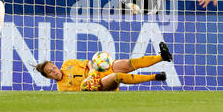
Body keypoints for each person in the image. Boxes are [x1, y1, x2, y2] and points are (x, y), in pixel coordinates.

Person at [35, 42, 173, 91]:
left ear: (54, 65)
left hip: (97, 71)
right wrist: (90, 80)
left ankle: (162, 57)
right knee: (116, 76)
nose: (54, 71)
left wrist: (93, 69)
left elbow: (88, 63)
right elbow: (83, 91)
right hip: (99, 84)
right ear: (48, 77)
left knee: (124, 64)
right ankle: (154, 77)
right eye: (50, 72)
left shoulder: (68, 64)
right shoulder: (62, 88)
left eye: (52, 67)